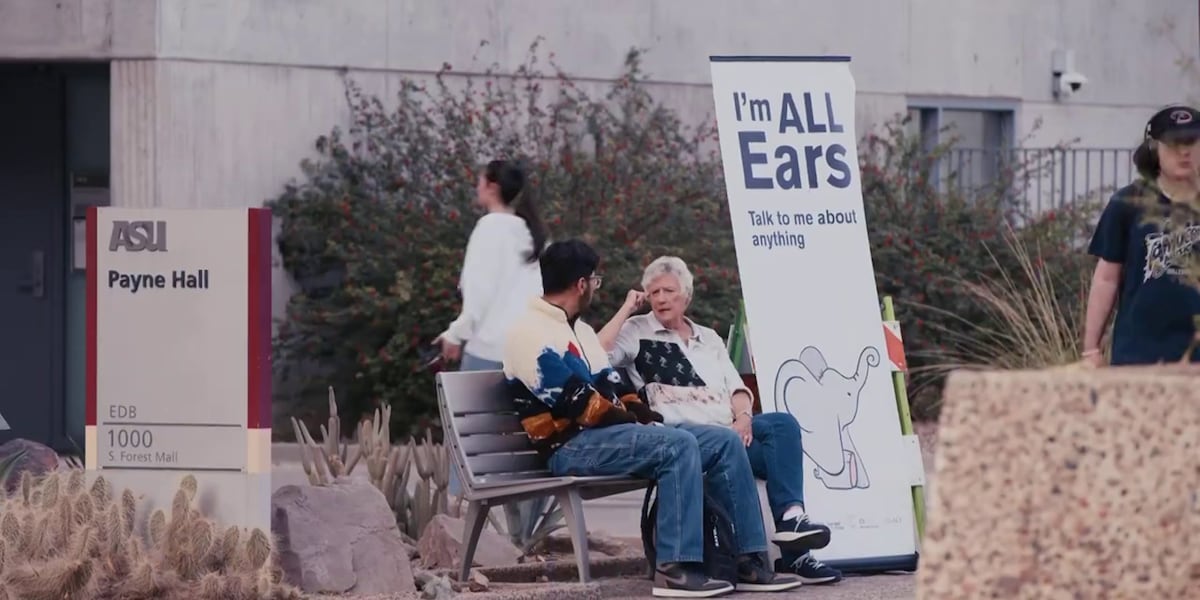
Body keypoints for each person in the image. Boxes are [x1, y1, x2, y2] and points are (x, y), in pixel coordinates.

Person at [502, 240, 804, 598]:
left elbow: (612, 386)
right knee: (676, 444)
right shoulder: (529, 332)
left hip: (600, 435)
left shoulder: (579, 330)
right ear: (581, 284)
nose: (596, 288)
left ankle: (746, 559)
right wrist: (640, 424)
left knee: (722, 441)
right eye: (595, 281)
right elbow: (579, 405)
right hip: (568, 445)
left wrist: (644, 416)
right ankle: (675, 569)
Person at [597, 256, 843, 585]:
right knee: (727, 443)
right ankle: (750, 561)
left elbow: (736, 388)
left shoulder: (709, 337)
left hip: (730, 433)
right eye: (653, 292)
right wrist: (628, 307)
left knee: (781, 426)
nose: (660, 298)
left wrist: (743, 418)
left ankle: (792, 527)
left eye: (668, 290)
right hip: (684, 438)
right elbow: (596, 354)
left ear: (686, 295)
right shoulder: (637, 331)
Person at [434, 159, 547, 509]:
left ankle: (462, 522)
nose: (476, 187)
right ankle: (521, 530)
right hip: (529, 350)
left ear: (492, 186)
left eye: (479, 180)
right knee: (520, 442)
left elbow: (479, 294)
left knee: (469, 441)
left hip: (488, 348)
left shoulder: (489, 228)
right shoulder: (529, 232)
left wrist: (456, 334)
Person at [1083, 105, 1200, 366]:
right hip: (1138, 354)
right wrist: (1091, 349)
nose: (1184, 151)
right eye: (1173, 143)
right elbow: (1106, 278)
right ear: (1153, 149)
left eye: (1192, 141)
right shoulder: (1128, 203)